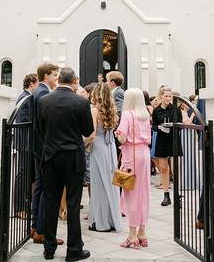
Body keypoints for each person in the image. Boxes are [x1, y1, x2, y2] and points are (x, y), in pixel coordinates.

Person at [38, 67, 94, 261]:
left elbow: (41, 129)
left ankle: (49, 249)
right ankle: (74, 250)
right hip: (73, 158)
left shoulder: (45, 101)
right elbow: (88, 131)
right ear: (74, 81)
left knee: (51, 202)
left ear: (60, 79)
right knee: (72, 203)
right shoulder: (80, 102)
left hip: (51, 156)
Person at [115, 88, 152, 249]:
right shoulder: (145, 115)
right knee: (143, 192)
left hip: (131, 154)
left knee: (131, 193)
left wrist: (118, 134)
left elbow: (122, 139)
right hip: (144, 153)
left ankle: (132, 235)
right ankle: (142, 232)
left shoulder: (127, 115)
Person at [31, 63, 61, 245]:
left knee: (40, 186)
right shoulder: (43, 93)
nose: (56, 78)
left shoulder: (38, 91)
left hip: (38, 146)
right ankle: (41, 231)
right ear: (45, 76)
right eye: (54, 74)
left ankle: (35, 226)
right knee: (46, 189)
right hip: (44, 147)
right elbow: (46, 123)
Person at [87, 83, 123, 232]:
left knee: (99, 185)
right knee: (111, 183)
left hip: (99, 147)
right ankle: (111, 219)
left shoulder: (95, 110)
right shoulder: (112, 110)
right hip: (110, 148)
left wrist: (82, 144)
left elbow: (92, 134)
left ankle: (100, 222)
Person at [152, 85, 182, 206]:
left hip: (174, 139)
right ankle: (166, 195)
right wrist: (160, 127)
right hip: (162, 139)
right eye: (166, 96)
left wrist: (173, 126)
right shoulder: (156, 110)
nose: (168, 98)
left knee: (176, 168)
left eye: (170, 96)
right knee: (164, 168)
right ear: (161, 96)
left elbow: (180, 124)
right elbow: (154, 125)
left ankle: (177, 195)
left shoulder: (176, 109)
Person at [14, 73, 38, 217]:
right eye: (37, 83)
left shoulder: (28, 97)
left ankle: (26, 206)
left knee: (28, 176)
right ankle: (19, 209)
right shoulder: (25, 98)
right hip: (24, 142)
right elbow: (23, 120)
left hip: (28, 142)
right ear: (31, 83)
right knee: (22, 176)